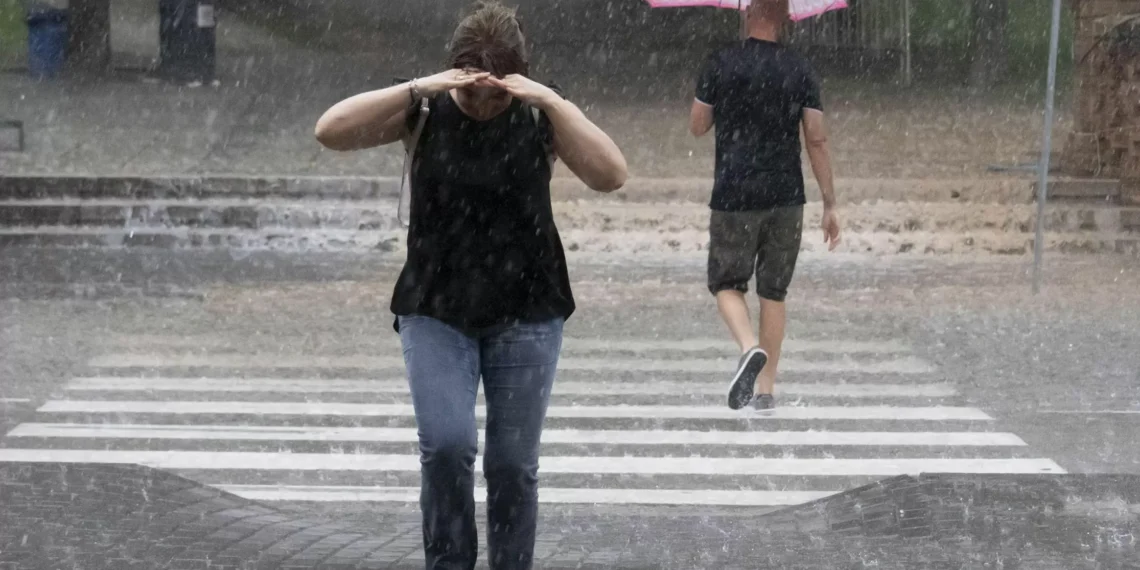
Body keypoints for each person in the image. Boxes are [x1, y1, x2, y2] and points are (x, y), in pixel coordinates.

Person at [314, 2, 627, 568]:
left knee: (512, 465)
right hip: (435, 306)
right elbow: (329, 131)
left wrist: (551, 100)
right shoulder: (424, 109)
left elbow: (611, 174)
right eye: (472, 91)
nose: (484, 105)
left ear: (519, 78)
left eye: (497, 93)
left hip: (529, 307)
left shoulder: (539, 115)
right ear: (452, 73)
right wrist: (417, 87)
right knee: (446, 448)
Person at [689, 0, 841, 411]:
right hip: (787, 196)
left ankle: (748, 347)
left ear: (747, 11)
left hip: (734, 194)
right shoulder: (800, 69)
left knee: (726, 283)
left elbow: (698, 126)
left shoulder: (720, 61)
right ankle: (767, 391)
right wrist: (830, 203)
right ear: (786, 16)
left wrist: (722, 99)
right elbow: (817, 139)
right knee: (774, 291)